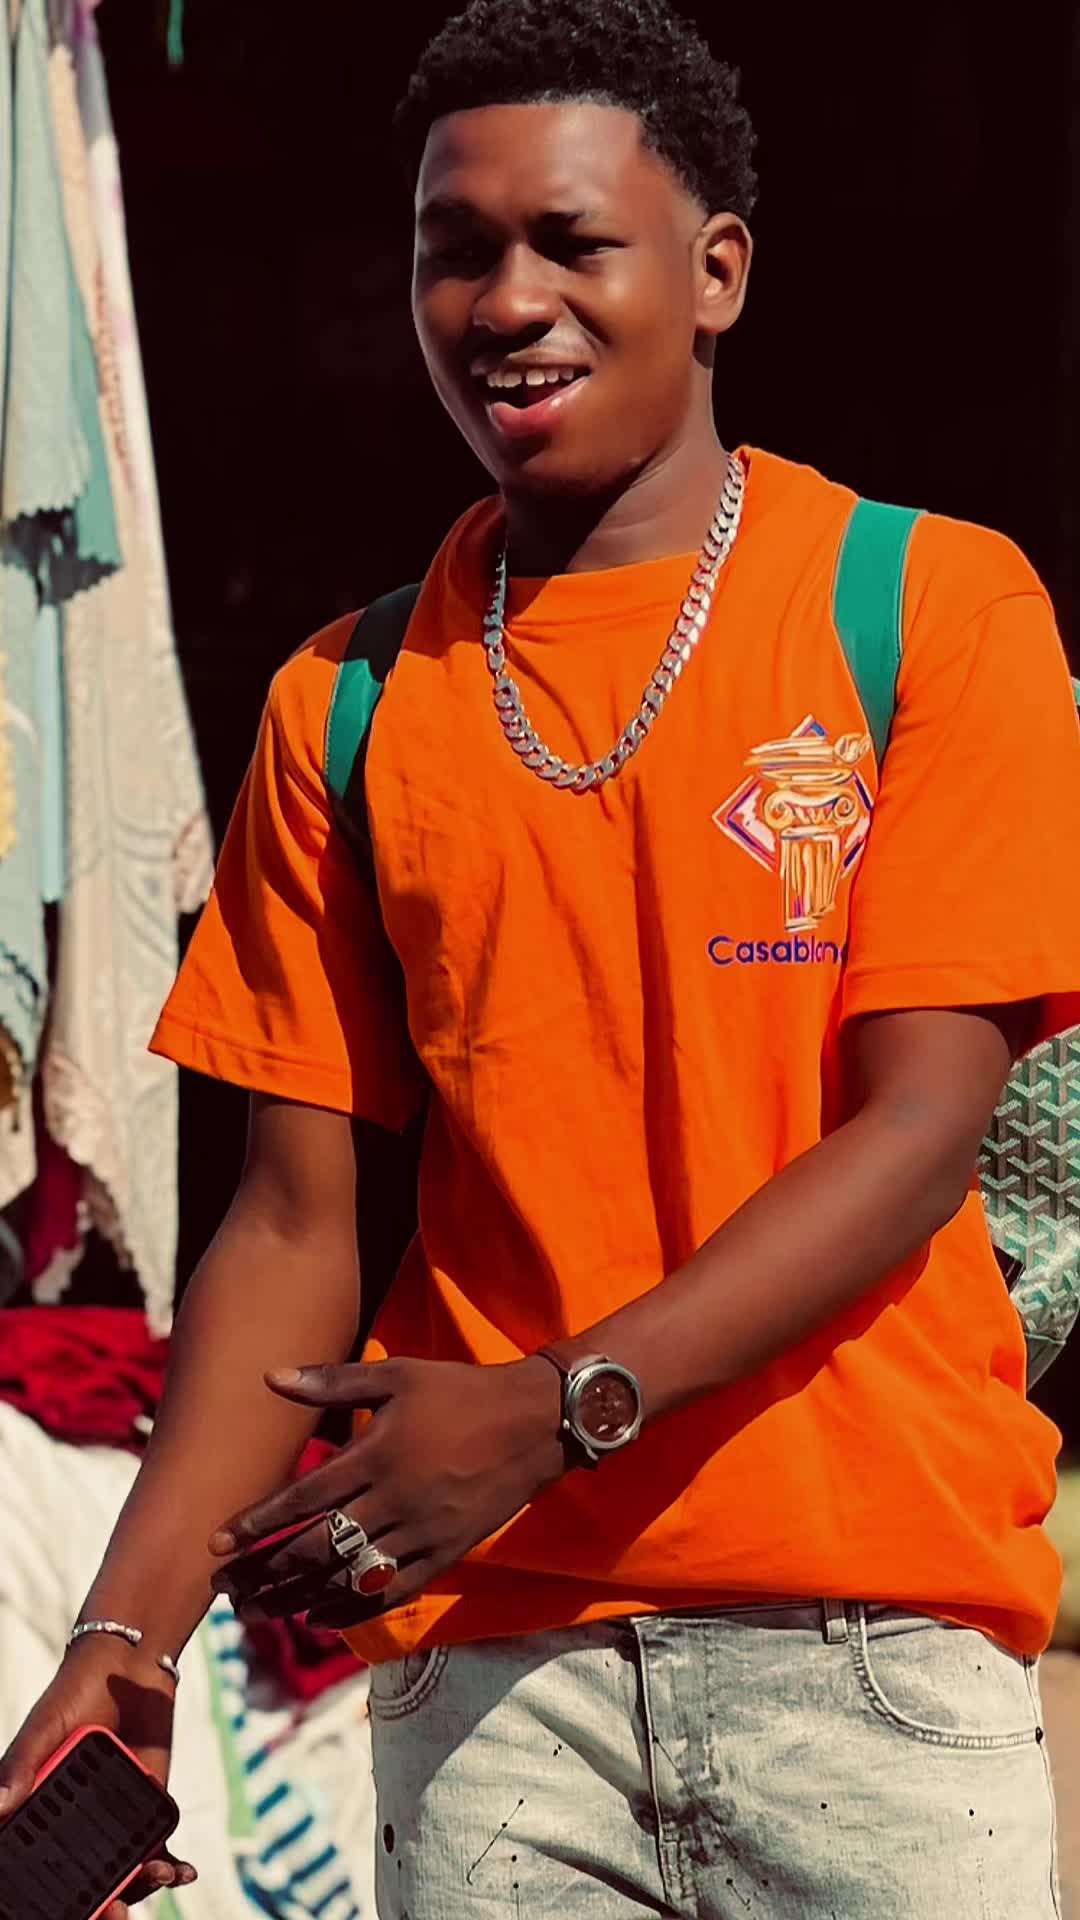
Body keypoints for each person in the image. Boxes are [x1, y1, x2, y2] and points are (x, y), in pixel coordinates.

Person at [4, 2, 1080, 1914]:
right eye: (456, 249)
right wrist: (123, 1641)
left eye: (572, 242)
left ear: (716, 271)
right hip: (495, 1695)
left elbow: (919, 1130)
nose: (507, 301)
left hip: (869, 1662)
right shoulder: (345, 702)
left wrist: (553, 1405)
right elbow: (293, 1224)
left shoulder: (927, 604)